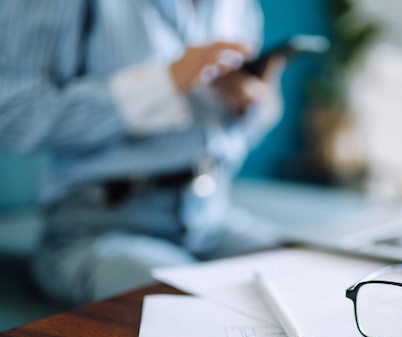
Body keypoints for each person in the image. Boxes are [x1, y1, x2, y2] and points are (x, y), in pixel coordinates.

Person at [0, 0, 285, 305]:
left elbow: (231, 134)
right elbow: (12, 114)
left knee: (306, 276)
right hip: (99, 227)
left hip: (210, 217)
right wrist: (165, 82)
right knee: (191, 308)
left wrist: (252, 105)